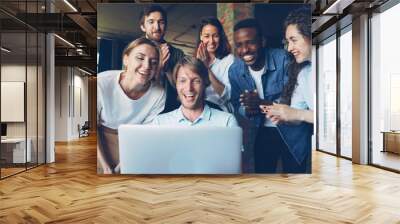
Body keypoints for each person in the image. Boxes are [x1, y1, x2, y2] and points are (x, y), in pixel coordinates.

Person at [228, 18, 290, 173]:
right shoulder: (235, 71)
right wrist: (247, 110)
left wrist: (261, 103)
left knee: (296, 175)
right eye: (239, 45)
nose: (245, 50)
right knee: (262, 175)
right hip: (262, 130)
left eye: (250, 42)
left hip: (291, 129)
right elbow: (236, 103)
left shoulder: (284, 60)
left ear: (262, 41)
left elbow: (297, 102)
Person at [97, 37, 166, 174]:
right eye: (140, 58)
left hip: (133, 143)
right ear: (126, 59)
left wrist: (123, 164)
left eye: (153, 62)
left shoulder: (159, 93)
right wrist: (106, 168)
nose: (147, 66)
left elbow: (145, 135)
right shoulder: (101, 82)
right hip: (100, 140)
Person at [260, 7, 313, 173]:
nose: (289, 48)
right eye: (287, 42)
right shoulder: (303, 72)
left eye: (294, 40)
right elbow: (299, 114)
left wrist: (296, 114)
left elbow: (335, 120)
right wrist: (283, 114)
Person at [152, 55, 238, 127]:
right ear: (176, 84)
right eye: (183, 81)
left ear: (205, 83)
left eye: (196, 81)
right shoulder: (160, 123)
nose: (189, 88)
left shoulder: (226, 122)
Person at [139, 4, 185, 113]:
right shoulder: (134, 52)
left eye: (161, 22)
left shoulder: (177, 54)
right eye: (151, 22)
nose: (157, 27)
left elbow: (182, 88)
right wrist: (158, 67)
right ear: (142, 26)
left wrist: (167, 69)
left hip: (170, 112)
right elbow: (132, 85)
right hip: (142, 110)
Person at [195, 17, 235, 112]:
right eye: (206, 36)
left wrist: (206, 67)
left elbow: (227, 95)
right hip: (199, 111)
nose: (211, 41)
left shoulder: (229, 60)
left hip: (220, 112)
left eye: (215, 36)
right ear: (201, 36)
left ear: (220, 37)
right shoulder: (195, 61)